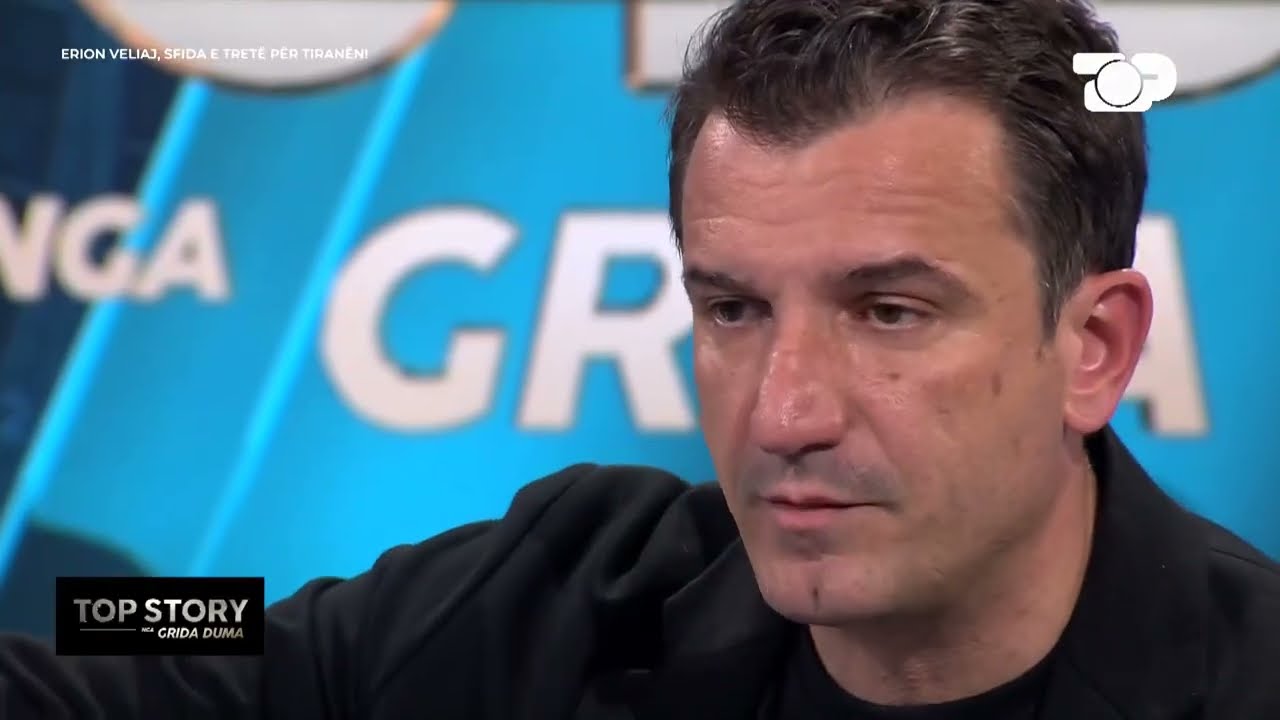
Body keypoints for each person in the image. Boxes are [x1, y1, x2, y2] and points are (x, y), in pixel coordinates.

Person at [2, 0, 1278, 717]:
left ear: (1093, 348)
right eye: (732, 309)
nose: (782, 413)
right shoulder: (561, 591)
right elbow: (213, 635)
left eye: (888, 313)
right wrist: (91, 603)